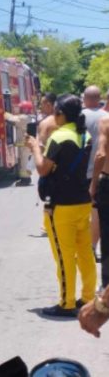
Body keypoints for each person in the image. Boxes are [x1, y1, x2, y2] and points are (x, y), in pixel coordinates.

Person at [26, 94, 97, 317]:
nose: (53, 116)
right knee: (85, 252)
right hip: (82, 201)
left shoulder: (59, 137)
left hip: (62, 205)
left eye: (55, 112)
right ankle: (87, 297)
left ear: (62, 114)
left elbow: (43, 169)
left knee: (63, 254)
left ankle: (66, 303)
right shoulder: (83, 134)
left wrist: (36, 148)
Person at [82, 85, 107, 260]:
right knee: (97, 212)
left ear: (85, 98)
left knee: (84, 212)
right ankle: (93, 246)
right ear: (98, 99)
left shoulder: (79, 116)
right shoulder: (106, 117)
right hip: (102, 171)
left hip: (82, 171)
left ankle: (86, 247)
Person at [90, 114, 109, 293]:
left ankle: (107, 286)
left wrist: (94, 183)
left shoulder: (105, 122)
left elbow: (101, 153)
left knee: (107, 236)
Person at [4, 100, 35, 186]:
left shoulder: (23, 118)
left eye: (21, 108)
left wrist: (3, 112)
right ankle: (26, 178)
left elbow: (11, 119)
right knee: (24, 162)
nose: (19, 110)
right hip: (27, 144)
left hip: (25, 144)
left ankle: (25, 180)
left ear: (25, 109)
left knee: (24, 162)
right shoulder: (30, 117)